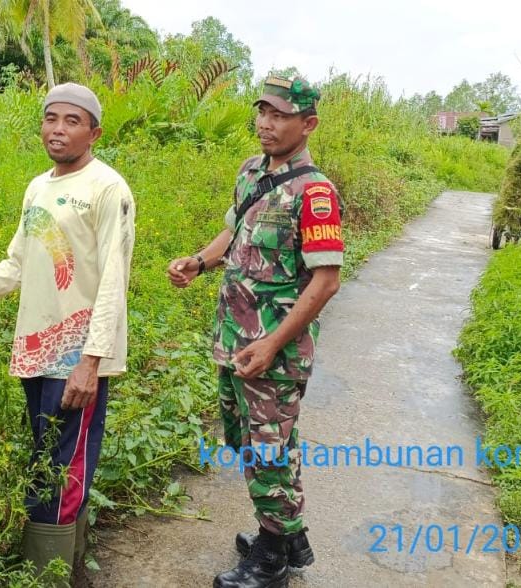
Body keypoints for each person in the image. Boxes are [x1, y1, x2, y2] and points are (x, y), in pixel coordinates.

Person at [0, 82, 135, 585]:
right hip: (36, 350)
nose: (58, 129)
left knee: (64, 465)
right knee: (47, 459)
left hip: (78, 355)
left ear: (95, 133)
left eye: (72, 121)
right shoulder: (38, 187)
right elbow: (17, 264)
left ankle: (47, 577)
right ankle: (60, 566)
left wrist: (91, 361)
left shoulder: (108, 189)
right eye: (50, 118)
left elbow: (113, 280)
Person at [166, 74, 343, 588]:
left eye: (279, 115)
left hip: (274, 352)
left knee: (269, 451)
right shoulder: (251, 172)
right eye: (262, 111)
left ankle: (271, 558)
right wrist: (200, 262)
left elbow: (326, 281)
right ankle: (289, 536)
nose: (266, 123)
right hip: (235, 342)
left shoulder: (315, 193)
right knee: (251, 441)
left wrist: (271, 344)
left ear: (308, 124)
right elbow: (234, 230)